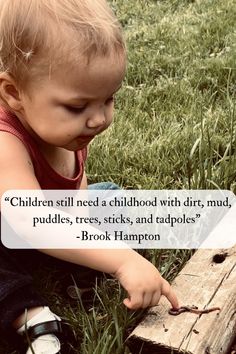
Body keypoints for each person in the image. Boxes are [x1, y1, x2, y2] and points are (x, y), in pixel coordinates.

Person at [0, 0, 179, 353]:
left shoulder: (67, 127)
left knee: (112, 199)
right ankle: (32, 317)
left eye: (108, 99)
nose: (98, 119)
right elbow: (29, 219)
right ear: (15, 93)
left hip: (46, 228)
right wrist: (122, 260)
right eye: (78, 106)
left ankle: (77, 274)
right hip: (11, 234)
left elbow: (76, 194)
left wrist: (83, 232)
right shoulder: (6, 140)